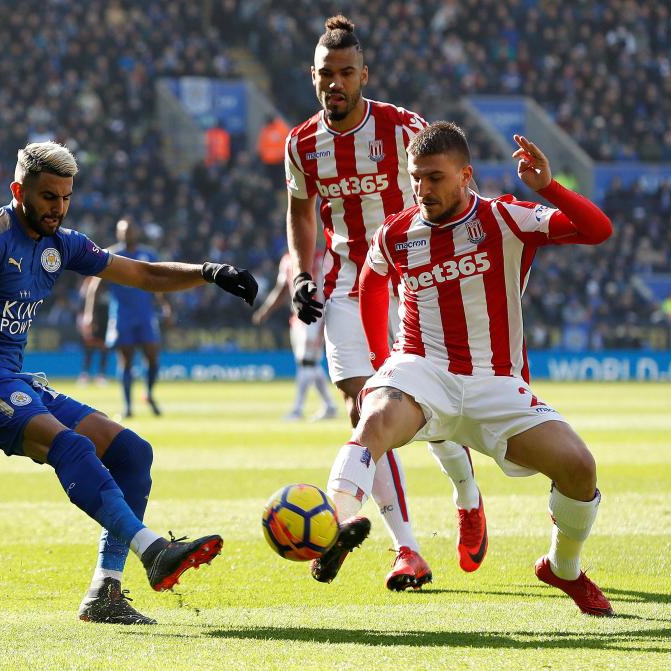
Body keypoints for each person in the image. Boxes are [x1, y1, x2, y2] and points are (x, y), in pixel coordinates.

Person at [0, 141, 258, 625]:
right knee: (71, 446)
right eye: (48, 197)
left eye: (65, 198)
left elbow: (143, 274)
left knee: (131, 451)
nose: (58, 209)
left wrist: (209, 272)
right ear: (18, 190)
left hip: (11, 377)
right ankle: (153, 550)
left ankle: (105, 592)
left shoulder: (61, 244)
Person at [323, 122, 615, 616]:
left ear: (465, 176)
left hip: (494, 381)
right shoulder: (397, 232)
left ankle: (562, 568)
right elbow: (371, 283)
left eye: (435, 178)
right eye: (416, 178)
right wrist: (380, 365)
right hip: (423, 369)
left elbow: (598, 230)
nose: (423, 189)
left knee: (579, 469)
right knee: (371, 419)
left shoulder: (506, 218)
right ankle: (333, 524)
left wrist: (547, 188)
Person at [283, 14, 485, 591]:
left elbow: (449, 186)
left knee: (433, 408)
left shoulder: (401, 130)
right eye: (326, 74)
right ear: (313, 77)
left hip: (412, 279)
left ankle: (467, 499)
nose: (336, 83)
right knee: (363, 409)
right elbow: (300, 212)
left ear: (364, 74)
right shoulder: (300, 144)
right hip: (347, 281)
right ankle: (408, 550)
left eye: (347, 72)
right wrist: (302, 272)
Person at [84, 218, 172, 418]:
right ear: (118, 233)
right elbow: (95, 287)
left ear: (136, 232)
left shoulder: (147, 254)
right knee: (126, 361)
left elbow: (158, 283)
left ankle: (149, 393)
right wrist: (90, 314)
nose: (127, 234)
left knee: (152, 356)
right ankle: (127, 406)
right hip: (122, 316)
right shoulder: (111, 255)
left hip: (145, 314)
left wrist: (165, 306)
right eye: (123, 231)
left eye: (130, 230)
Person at [252, 251, 338, 421]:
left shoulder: (321, 258)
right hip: (298, 317)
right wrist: (265, 311)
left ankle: (298, 410)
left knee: (307, 363)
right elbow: (282, 289)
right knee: (308, 363)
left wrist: (327, 318)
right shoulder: (287, 259)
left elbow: (330, 288)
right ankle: (329, 406)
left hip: (316, 314)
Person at [76, 274, 109, 386]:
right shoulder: (88, 283)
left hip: (105, 320)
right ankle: (85, 374)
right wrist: (85, 320)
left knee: (104, 348)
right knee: (89, 347)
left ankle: (101, 375)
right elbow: (81, 305)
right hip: (91, 320)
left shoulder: (109, 283)